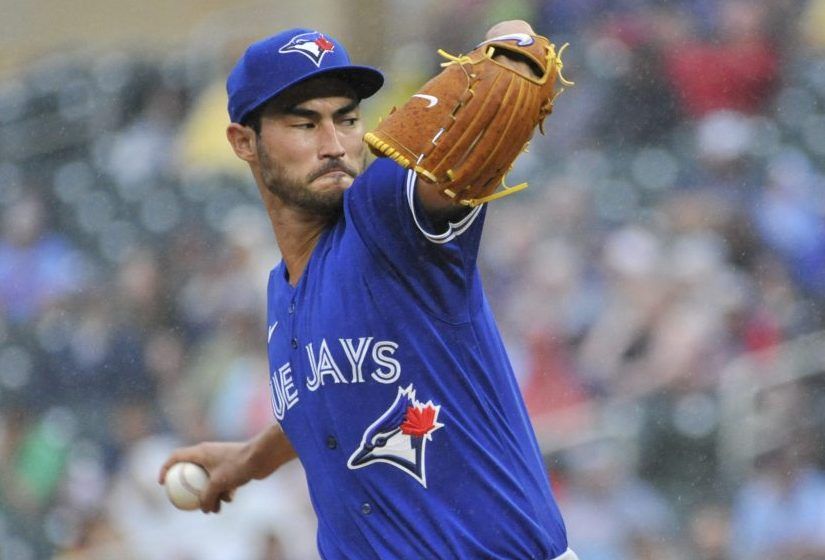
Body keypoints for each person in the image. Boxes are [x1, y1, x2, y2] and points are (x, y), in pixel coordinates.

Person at [159, 20, 576, 559]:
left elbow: (516, 47)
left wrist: (514, 49)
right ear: (244, 142)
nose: (334, 144)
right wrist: (248, 460)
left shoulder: (387, 217)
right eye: (305, 123)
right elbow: (332, 399)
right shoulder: (279, 293)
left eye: (348, 119)